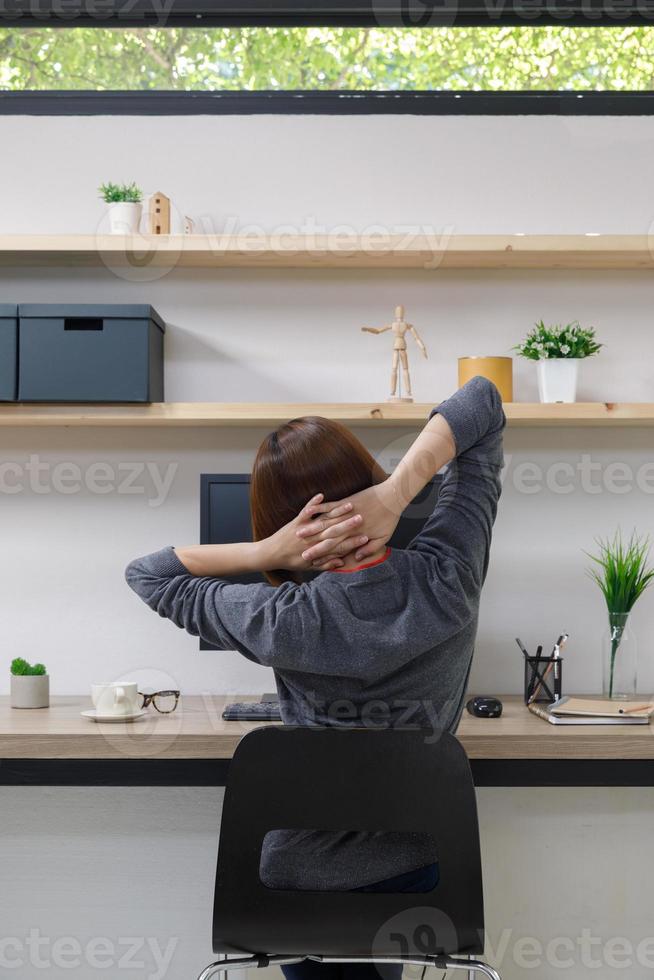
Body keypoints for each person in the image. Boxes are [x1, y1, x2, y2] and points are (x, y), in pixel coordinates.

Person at [125, 375, 505, 980]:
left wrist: (264, 552)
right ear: (366, 476)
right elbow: (483, 403)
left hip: (289, 892)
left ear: (281, 525)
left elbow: (148, 574)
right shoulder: (449, 577)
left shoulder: (279, 620)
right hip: (415, 878)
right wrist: (395, 495)